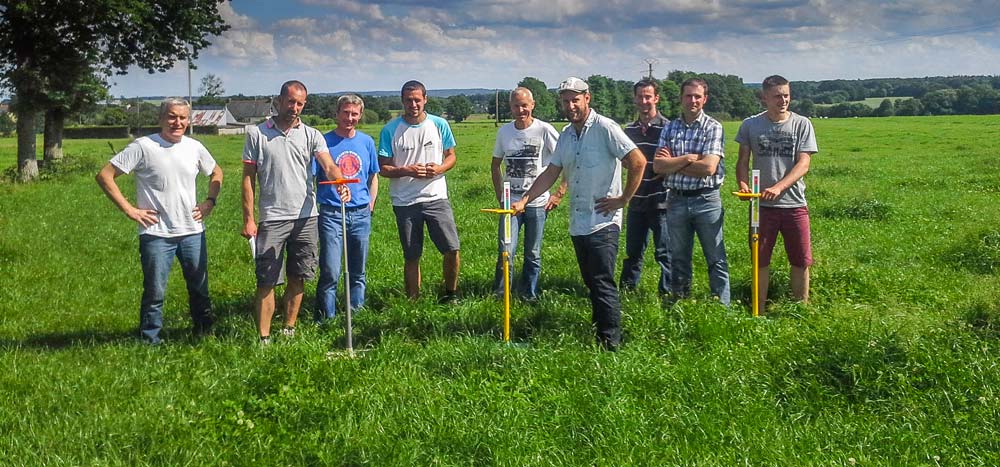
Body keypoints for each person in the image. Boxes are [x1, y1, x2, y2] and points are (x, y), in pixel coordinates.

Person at [511, 77, 645, 351]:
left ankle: (611, 342)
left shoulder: (606, 128)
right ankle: (600, 328)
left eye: (575, 99)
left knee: (602, 280)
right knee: (590, 280)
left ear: (587, 98)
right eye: (565, 100)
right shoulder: (567, 134)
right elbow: (551, 172)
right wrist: (525, 199)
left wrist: (623, 199)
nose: (570, 105)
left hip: (604, 221)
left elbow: (638, 161)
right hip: (579, 221)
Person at [96, 98, 223, 344]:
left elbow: (217, 171)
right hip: (156, 233)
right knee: (155, 292)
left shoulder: (194, 147)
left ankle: (205, 334)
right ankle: (149, 340)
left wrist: (210, 201)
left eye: (182, 118)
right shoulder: (143, 147)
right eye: (172, 117)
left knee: (199, 288)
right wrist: (130, 210)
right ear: (161, 118)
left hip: (192, 231)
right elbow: (105, 176)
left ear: (189, 120)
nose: (177, 123)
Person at [241, 80, 348, 344]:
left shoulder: (311, 135)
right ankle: (264, 338)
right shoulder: (257, 134)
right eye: (291, 101)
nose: (295, 108)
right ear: (279, 100)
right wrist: (249, 218)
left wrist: (340, 184)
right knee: (266, 280)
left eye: (300, 103)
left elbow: (328, 165)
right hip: (272, 218)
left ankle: (289, 328)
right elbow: (247, 178)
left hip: (306, 218)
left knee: (298, 275)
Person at [735, 75, 818, 315]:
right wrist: (742, 184)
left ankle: (799, 309)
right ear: (764, 98)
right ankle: (758, 310)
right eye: (777, 96)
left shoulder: (802, 124)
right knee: (760, 259)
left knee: (801, 259)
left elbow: (804, 163)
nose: (783, 100)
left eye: (786, 95)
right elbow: (743, 161)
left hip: (794, 204)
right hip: (761, 207)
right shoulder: (750, 125)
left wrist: (780, 187)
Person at [378, 80, 461, 303]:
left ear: (425, 99)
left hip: (436, 197)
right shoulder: (390, 129)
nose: (413, 104)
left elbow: (451, 155)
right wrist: (406, 170)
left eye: (417, 99)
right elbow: (383, 168)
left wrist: (440, 168)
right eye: (408, 100)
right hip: (405, 201)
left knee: (452, 248)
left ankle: (450, 294)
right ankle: (413, 300)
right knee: (412, 255)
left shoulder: (439, 124)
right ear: (402, 101)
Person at [653, 78, 730, 306]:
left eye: (697, 96)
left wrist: (674, 163)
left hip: (706, 200)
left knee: (715, 257)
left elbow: (708, 168)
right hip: (676, 199)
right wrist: (689, 158)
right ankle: (681, 303)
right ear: (681, 98)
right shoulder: (670, 127)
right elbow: (658, 166)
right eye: (688, 96)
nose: (693, 100)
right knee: (678, 257)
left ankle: (722, 306)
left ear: (705, 99)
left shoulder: (713, 127)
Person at [490, 86, 564, 300]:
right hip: (510, 203)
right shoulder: (504, 132)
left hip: (537, 202)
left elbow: (565, 160)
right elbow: (495, 165)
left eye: (524, 105)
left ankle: (528, 294)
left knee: (533, 252)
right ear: (510, 108)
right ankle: (501, 294)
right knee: (506, 250)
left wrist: (559, 192)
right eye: (516, 106)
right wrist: (499, 195)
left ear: (532, 105)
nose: (521, 110)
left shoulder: (544, 130)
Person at [314, 94, 379, 323]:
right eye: (345, 113)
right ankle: (326, 318)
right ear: (337, 113)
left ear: (360, 115)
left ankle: (355, 314)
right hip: (331, 212)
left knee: (358, 270)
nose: (349, 118)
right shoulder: (323, 142)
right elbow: (314, 176)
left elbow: (373, 176)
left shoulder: (367, 142)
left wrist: (370, 203)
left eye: (354, 114)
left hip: (360, 213)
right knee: (331, 270)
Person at [619, 78, 672, 295]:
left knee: (665, 252)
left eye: (648, 96)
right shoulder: (628, 131)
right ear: (634, 99)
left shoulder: (668, 128)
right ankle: (627, 292)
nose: (644, 101)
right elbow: (624, 161)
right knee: (633, 252)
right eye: (640, 96)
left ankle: (668, 294)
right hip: (636, 199)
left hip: (662, 200)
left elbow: (672, 160)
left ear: (656, 98)